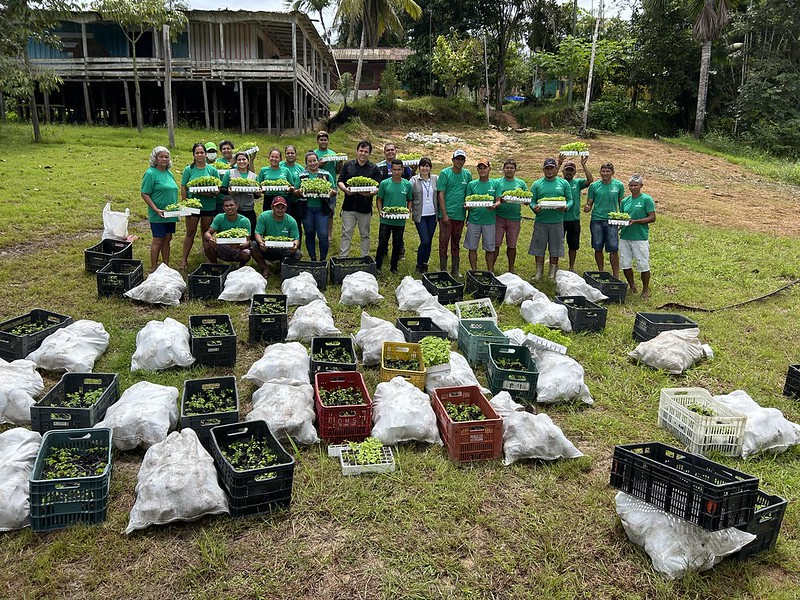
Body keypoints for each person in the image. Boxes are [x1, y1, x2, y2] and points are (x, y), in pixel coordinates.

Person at [529, 157, 573, 281]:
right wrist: (534, 207)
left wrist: (566, 207)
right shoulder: (537, 184)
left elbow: (570, 200)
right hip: (541, 221)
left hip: (557, 221)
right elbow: (532, 201)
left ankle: (552, 273)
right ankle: (539, 272)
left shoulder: (563, 183)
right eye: (547, 168)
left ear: (556, 169)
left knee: (556, 248)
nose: (549, 171)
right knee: (538, 247)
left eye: (551, 168)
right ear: (543, 169)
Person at [179, 142, 220, 270]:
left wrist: (210, 193)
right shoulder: (189, 169)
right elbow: (184, 186)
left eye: (202, 152)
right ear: (193, 155)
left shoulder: (212, 170)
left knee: (205, 231)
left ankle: (207, 256)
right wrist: (185, 202)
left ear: (206, 154)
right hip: (193, 206)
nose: (200, 155)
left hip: (208, 205)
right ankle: (184, 259)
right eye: (197, 152)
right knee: (190, 232)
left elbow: (217, 188)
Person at [337, 140, 381, 258]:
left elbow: (377, 187)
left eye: (366, 151)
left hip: (365, 208)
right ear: (357, 151)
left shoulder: (374, 168)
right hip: (348, 206)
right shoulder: (348, 166)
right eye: (361, 151)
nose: (363, 153)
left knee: (365, 234)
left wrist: (371, 193)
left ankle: (364, 258)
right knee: (346, 233)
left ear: (369, 153)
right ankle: (343, 257)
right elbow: (340, 181)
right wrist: (345, 189)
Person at [140, 146, 179, 273]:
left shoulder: (169, 173)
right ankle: (153, 267)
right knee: (158, 239)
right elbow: (145, 193)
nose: (164, 159)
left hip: (170, 213)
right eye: (161, 156)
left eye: (166, 157)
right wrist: (156, 209)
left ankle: (166, 265)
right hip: (158, 213)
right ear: (155, 159)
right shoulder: (150, 174)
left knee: (167, 238)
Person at [584, 162, 626, 278]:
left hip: (612, 221)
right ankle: (601, 271)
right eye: (603, 171)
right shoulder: (594, 186)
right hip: (597, 219)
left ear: (613, 173)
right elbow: (589, 203)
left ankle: (616, 275)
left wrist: (622, 218)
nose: (605, 173)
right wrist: (587, 207)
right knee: (598, 246)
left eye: (608, 171)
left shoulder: (619, 185)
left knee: (613, 247)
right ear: (600, 172)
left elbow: (621, 203)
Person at [619, 174, 656, 300]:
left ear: (641, 186)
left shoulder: (646, 200)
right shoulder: (625, 201)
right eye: (631, 185)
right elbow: (622, 217)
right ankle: (632, 285)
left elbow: (652, 217)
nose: (633, 187)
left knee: (643, 264)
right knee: (625, 263)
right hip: (625, 236)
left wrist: (636, 221)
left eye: (636, 185)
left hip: (640, 236)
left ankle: (645, 290)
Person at [437, 149, 472, 276]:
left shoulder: (467, 174)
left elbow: (469, 195)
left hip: (460, 215)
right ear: (453, 160)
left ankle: (455, 269)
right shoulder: (445, 173)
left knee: (456, 242)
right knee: (443, 242)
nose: (459, 161)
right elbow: (441, 194)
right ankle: (443, 269)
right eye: (457, 159)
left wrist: (468, 214)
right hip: (447, 215)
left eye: (462, 159)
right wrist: (444, 214)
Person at [299, 150, 337, 261]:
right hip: (307, 209)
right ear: (306, 163)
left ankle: (323, 259)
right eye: (309, 161)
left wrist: (329, 192)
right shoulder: (302, 175)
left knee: (323, 235)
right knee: (309, 233)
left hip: (321, 209)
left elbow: (334, 190)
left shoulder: (325, 174)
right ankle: (313, 258)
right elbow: (296, 191)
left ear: (318, 161)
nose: (312, 163)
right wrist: (300, 192)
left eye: (314, 161)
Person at [376, 159, 413, 273]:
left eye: (399, 170)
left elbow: (410, 199)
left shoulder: (407, 184)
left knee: (397, 244)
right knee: (382, 243)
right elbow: (379, 199)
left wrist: (408, 210)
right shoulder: (385, 183)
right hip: (386, 219)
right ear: (391, 170)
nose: (397, 172)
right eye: (394, 170)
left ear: (402, 170)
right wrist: (380, 211)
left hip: (400, 220)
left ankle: (394, 267)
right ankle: (378, 266)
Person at [251, 196, 301, 279]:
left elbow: (296, 238)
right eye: (277, 207)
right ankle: (265, 267)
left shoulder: (291, 221)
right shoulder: (264, 216)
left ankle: (282, 267)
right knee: (253, 246)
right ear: (272, 207)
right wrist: (261, 242)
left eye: (283, 208)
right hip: (268, 247)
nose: (280, 210)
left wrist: (295, 245)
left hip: (284, 249)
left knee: (297, 254)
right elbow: (258, 233)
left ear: (286, 208)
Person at [464, 158, 500, 272]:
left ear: (489, 169)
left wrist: (495, 205)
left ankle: (490, 271)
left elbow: (499, 200)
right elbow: (467, 201)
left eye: (485, 167)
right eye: (480, 168)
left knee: (490, 248)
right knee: (472, 247)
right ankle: (474, 271)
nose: (482, 170)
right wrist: (467, 206)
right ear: (477, 170)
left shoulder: (495, 183)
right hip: (474, 220)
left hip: (489, 221)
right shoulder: (472, 184)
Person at [493, 159, 528, 273]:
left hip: (514, 218)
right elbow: (494, 198)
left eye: (511, 168)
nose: (509, 170)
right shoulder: (497, 182)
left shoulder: (521, 183)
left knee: (512, 245)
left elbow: (527, 199)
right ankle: (491, 267)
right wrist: (500, 200)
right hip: (499, 216)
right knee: (496, 243)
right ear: (503, 169)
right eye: (507, 167)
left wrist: (525, 200)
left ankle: (511, 268)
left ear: (515, 170)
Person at [559, 155, 593, 272]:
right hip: (559, 218)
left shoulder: (577, 183)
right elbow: (551, 174)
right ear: (563, 171)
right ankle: (555, 265)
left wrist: (584, 165)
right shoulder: (558, 182)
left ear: (574, 172)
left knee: (573, 245)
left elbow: (590, 180)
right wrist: (559, 163)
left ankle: (571, 266)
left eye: (571, 170)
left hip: (573, 219)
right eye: (566, 170)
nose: (568, 172)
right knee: (557, 243)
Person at [203, 197, 252, 266]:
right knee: (207, 243)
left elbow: (248, 241)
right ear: (223, 208)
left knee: (246, 253)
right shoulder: (219, 217)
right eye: (226, 206)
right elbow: (207, 233)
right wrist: (211, 239)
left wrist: (239, 246)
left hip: (238, 248)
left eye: (231, 205)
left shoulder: (244, 221)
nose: (229, 208)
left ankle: (241, 265)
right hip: (222, 247)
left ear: (236, 206)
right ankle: (215, 265)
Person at [220, 151, 260, 234]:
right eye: (239, 160)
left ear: (248, 161)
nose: (241, 162)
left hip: (248, 209)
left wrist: (258, 193)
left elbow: (256, 195)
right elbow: (222, 189)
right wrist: (229, 191)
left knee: (249, 233)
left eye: (244, 159)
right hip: (232, 209)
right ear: (236, 162)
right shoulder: (230, 173)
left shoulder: (253, 176)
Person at [410, 156, 438, 273]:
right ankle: (419, 264)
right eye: (422, 166)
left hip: (433, 215)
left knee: (429, 241)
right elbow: (408, 195)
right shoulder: (414, 180)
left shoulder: (436, 179)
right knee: (425, 240)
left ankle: (425, 264)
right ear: (419, 167)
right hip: (420, 215)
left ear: (430, 167)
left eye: (427, 166)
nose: (424, 168)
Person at [315, 130, 339, 244]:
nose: (323, 141)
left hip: (331, 185)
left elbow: (338, 170)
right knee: (317, 209)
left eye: (325, 139)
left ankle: (329, 235)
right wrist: (319, 164)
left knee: (330, 211)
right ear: (317, 141)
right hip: (316, 185)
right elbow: (307, 168)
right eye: (321, 140)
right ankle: (317, 234)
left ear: (328, 141)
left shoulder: (333, 154)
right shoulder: (314, 154)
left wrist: (340, 163)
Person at [281, 145, 307, 249]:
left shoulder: (300, 168)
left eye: (292, 153)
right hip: (283, 200)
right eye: (288, 153)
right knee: (283, 224)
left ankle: (297, 247)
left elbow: (305, 183)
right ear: (285, 154)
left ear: (296, 155)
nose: (290, 155)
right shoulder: (280, 166)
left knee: (296, 224)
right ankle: (283, 246)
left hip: (297, 201)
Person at [257, 148, 298, 212]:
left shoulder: (286, 170)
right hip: (268, 198)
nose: (274, 159)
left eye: (276, 157)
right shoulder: (263, 170)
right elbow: (258, 185)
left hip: (283, 198)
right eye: (272, 157)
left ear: (280, 159)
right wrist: (261, 190)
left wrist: (290, 189)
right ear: (269, 157)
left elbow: (292, 186)